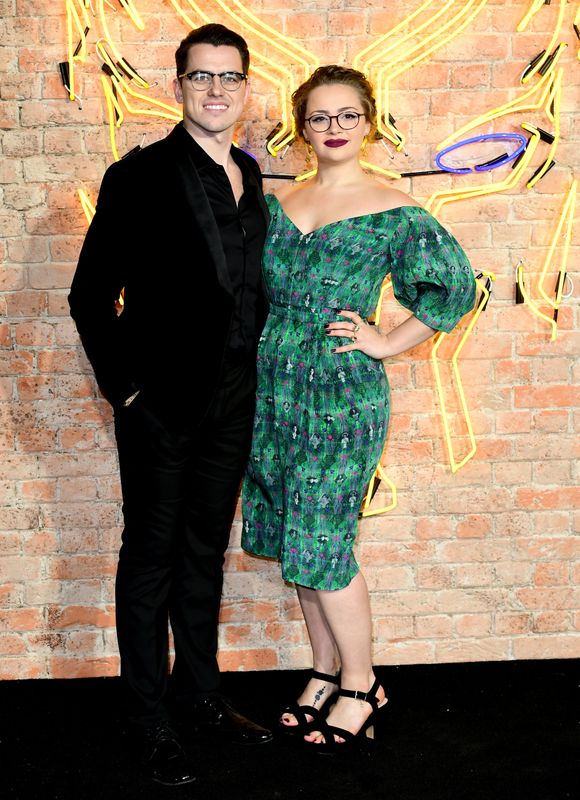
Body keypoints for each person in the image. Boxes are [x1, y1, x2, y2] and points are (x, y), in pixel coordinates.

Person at [242, 65, 476, 753]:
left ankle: (362, 683)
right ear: (302, 127)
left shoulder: (393, 208)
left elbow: (453, 291)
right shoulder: (278, 202)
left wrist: (386, 341)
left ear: (369, 122)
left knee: (323, 540)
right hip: (272, 391)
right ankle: (323, 671)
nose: (334, 129)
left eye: (347, 116)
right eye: (320, 117)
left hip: (341, 396)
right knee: (294, 535)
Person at [69, 23, 273, 786]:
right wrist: (126, 390)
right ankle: (146, 716)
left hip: (232, 404)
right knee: (150, 561)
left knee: (203, 557)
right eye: (200, 77)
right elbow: (90, 296)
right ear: (177, 85)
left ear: (246, 87)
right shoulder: (141, 175)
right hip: (159, 406)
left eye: (229, 78)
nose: (216, 90)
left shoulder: (251, 177)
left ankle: (201, 697)